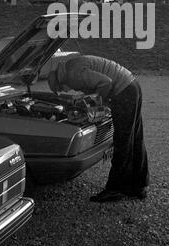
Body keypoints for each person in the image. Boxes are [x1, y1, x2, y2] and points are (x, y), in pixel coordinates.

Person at [48, 54, 149, 202]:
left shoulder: (72, 75)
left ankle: (116, 189)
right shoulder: (71, 64)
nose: (65, 90)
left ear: (60, 81)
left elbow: (105, 83)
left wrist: (96, 106)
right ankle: (140, 185)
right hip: (131, 85)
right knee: (135, 136)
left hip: (123, 92)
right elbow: (94, 83)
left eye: (60, 88)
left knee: (123, 140)